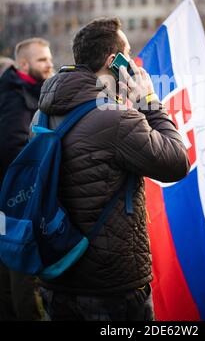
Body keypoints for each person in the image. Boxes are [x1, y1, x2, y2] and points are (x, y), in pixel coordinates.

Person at [34, 17, 190, 321]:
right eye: (128, 54)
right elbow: (176, 162)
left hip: (57, 273)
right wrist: (149, 101)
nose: (132, 62)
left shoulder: (42, 114)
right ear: (113, 61)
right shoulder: (116, 118)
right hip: (109, 287)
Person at [0, 37, 53, 321]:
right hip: (14, 205)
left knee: (10, 272)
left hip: (8, 204)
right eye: (42, 60)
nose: (50, 65)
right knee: (21, 272)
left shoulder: (22, 89)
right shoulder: (15, 95)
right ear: (23, 64)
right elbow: (12, 149)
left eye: (49, 58)